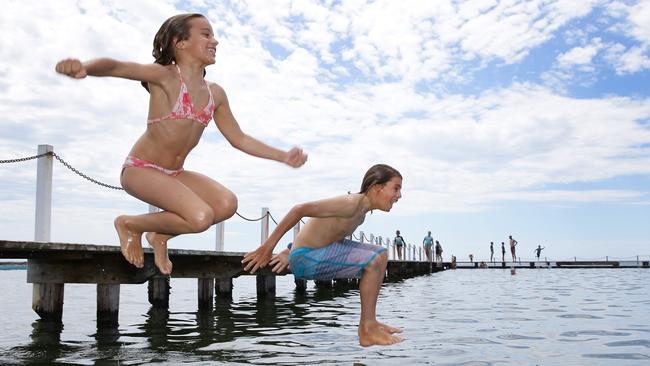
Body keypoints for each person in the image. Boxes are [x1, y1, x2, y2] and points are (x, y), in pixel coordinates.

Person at [55, 14, 307, 275]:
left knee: (226, 204)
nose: (215, 41)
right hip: (141, 170)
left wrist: (283, 156)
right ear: (180, 42)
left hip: (175, 173)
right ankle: (130, 224)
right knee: (200, 217)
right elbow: (117, 66)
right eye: (206, 34)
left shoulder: (215, 93)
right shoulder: (164, 77)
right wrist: (85, 67)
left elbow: (239, 138)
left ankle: (160, 236)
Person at [242, 164, 404, 347]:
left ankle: (371, 322)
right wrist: (268, 247)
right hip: (307, 258)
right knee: (373, 261)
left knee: (381, 254)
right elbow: (299, 210)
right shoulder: (351, 204)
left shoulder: (360, 214)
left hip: (310, 252)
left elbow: (323, 233)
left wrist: (289, 249)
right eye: (396, 188)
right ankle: (366, 330)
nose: (399, 196)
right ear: (378, 187)